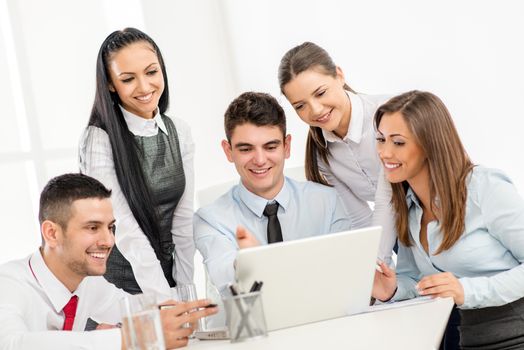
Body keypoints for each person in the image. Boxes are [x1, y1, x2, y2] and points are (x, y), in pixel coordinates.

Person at [372, 91, 524, 349]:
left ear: (429, 143)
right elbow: (417, 278)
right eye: (381, 139)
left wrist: (466, 291)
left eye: (398, 142)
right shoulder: (408, 208)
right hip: (471, 338)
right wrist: (393, 288)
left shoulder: (483, 188)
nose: (385, 152)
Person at [0, 173, 217, 350]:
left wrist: (181, 311)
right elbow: (11, 344)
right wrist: (125, 338)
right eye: (93, 227)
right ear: (52, 233)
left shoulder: (88, 283)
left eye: (110, 227)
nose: (108, 241)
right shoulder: (8, 284)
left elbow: (134, 308)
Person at [194, 92, 351, 294]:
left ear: (286, 147)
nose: (260, 160)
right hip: (253, 324)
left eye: (270, 146)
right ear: (228, 151)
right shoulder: (210, 219)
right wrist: (248, 262)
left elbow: (346, 269)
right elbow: (221, 273)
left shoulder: (328, 201)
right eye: (246, 149)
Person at [79, 28, 195, 299]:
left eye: (152, 72)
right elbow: (125, 228)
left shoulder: (180, 130)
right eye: (128, 79)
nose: (144, 87)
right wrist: (164, 299)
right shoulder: (99, 139)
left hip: (167, 280)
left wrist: (185, 292)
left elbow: (183, 221)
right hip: (119, 290)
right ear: (110, 84)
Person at [278, 42, 396, 264]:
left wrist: (378, 264)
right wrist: (377, 276)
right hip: (398, 233)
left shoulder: (389, 115)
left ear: (339, 76)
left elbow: (386, 199)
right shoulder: (320, 153)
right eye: (300, 106)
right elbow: (360, 219)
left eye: (321, 93)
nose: (316, 110)